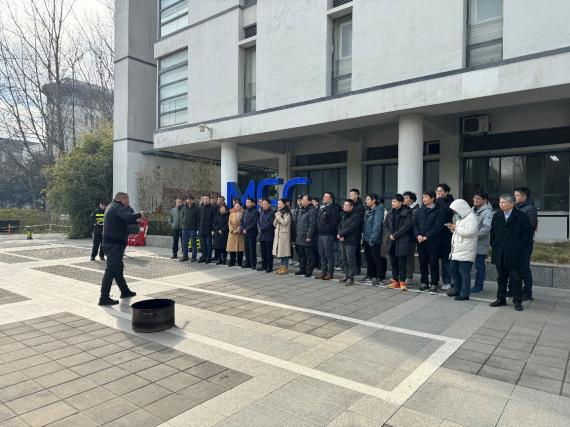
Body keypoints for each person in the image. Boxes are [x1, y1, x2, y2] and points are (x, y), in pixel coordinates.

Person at [99, 192, 143, 306]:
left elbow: (125, 219)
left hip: (112, 244)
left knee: (118, 269)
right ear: (122, 199)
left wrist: (136, 221)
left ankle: (125, 291)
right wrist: (139, 214)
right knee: (110, 271)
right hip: (113, 245)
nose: (128, 203)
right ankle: (104, 297)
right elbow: (127, 216)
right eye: (127, 200)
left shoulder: (112, 207)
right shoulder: (116, 207)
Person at [489, 194, 532, 311]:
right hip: (500, 252)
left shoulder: (521, 216)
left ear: (512, 203)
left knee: (516, 278)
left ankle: (517, 300)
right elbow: (493, 232)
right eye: (500, 202)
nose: (501, 204)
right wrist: (494, 244)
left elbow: (527, 235)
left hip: (515, 253)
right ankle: (500, 298)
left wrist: (518, 247)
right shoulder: (497, 216)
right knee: (501, 278)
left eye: (503, 202)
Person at [446, 199, 478, 301]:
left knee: (464, 272)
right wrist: (453, 228)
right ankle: (457, 289)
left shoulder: (471, 218)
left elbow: (470, 232)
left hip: (466, 250)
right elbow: (459, 232)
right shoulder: (461, 217)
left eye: (455, 210)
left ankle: (465, 293)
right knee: (454, 270)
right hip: (457, 250)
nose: (455, 212)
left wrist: (455, 228)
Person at [414, 191, 446, 293]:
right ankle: (424, 282)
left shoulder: (439, 211)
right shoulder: (420, 210)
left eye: (426, 197)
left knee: (433, 262)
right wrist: (418, 235)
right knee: (422, 262)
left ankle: (434, 283)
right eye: (423, 197)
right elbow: (415, 224)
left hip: (433, 241)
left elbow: (438, 226)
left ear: (432, 198)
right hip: (420, 241)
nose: (424, 199)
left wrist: (427, 236)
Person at [514, 186, 538, 301]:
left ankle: (527, 292)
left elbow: (530, 226)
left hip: (525, 243)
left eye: (517, 195)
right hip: (515, 242)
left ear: (524, 196)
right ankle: (515, 289)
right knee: (515, 267)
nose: (515, 197)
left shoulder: (530, 208)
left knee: (524, 267)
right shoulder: (516, 207)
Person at [385, 194, 413, 291]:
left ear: (401, 202)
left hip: (402, 241)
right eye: (392, 201)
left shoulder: (407, 212)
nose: (393, 203)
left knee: (402, 263)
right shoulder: (390, 212)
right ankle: (395, 281)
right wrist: (390, 234)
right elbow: (386, 225)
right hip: (392, 241)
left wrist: (395, 235)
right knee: (393, 263)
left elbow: (407, 227)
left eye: (395, 202)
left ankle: (402, 282)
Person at [471, 191, 493, 292]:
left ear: (484, 200)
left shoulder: (487, 211)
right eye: (474, 198)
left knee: (479, 266)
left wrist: (474, 235)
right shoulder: (472, 209)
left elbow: (486, 228)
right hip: (470, 243)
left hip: (480, 244)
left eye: (478, 198)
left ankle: (479, 286)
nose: (475, 200)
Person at [337, 199, 362, 286]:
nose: (344, 207)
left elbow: (352, 228)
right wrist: (340, 234)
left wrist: (341, 234)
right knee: (343, 259)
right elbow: (339, 226)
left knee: (350, 259)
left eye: (347, 205)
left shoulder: (356, 216)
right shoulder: (343, 215)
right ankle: (346, 275)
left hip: (351, 241)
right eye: (344, 205)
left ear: (351, 207)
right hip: (343, 240)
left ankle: (351, 278)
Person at [316, 192, 340, 280]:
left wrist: (329, 231)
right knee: (322, 254)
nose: (324, 198)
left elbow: (334, 223)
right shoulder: (322, 208)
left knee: (328, 255)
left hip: (328, 235)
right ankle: (323, 272)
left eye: (326, 197)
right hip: (320, 234)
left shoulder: (333, 209)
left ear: (331, 199)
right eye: (324, 196)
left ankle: (330, 273)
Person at [361, 194, 384, 286]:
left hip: (374, 240)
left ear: (374, 200)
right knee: (369, 258)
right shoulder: (368, 211)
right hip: (367, 238)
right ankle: (370, 275)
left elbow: (377, 226)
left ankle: (380, 278)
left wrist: (373, 238)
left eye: (368, 199)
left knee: (376, 259)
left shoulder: (378, 211)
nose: (366, 201)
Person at [436, 183, 455, 290]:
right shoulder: (436, 201)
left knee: (445, 259)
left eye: (441, 191)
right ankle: (437, 280)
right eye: (437, 191)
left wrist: (440, 201)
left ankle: (448, 281)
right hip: (436, 233)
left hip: (446, 233)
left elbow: (448, 212)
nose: (438, 193)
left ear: (446, 192)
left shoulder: (451, 202)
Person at [295, 195, 318, 277]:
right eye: (302, 200)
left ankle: (309, 271)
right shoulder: (302, 210)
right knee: (301, 255)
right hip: (300, 236)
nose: (302, 201)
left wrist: (309, 236)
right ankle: (302, 269)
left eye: (304, 200)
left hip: (307, 237)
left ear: (309, 201)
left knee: (309, 256)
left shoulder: (312, 211)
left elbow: (312, 225)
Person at [403, 191, 419, 285]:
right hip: (403, 236)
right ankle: (404, 275)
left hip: (411, 237)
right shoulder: (404, 208)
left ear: (412, 200)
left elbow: (412, 224)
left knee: (409, 257)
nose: (404, 200)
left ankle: (409, 276)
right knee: (403, 257)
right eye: (404, 198)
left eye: (407, 198)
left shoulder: (415, 210)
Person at [349, 189, 365, 275]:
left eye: (352, 194)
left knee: (356, 251)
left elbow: (359, 220)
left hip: (356, 231)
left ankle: (357, 269)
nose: (350, 196)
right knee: (350, 251)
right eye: (350, 194)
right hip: (349, 231)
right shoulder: (350, 204)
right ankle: (351, 269)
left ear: (357, 195)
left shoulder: (360, 206)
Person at [273, 198, 292, 275]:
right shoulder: (278, 213)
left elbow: (284, 222)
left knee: (285, 252)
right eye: (278, 203)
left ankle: (285, 267)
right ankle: (281, 266)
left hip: (284, 235)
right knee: (280, 252)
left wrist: (278, 217)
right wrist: (277, 217)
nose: (278, 205)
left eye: (280, 203)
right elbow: (274, 224)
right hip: (278, 235)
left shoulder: (287, 213)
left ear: (284, 204)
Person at [257, 198, 275, 273]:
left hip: (268, 235)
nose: (263, 205)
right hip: (261, 236)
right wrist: (259, 228)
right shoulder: (261, 212)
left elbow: (270, 224)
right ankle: (264, 265)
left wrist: (261, 229)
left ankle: (269, 267)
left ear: (269, 205)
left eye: (265, 204)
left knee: (268, 252)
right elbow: (258, 221)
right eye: (263, 204)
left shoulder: (272, 213)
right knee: (263, 252)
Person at [241, 197, 260, 269]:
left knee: (252, 249)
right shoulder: (245, 211)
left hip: (252, 233)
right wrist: (243, 228)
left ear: (252, 203)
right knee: (247, 249)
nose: (247, 204)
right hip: (245, 233)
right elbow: (242, 221)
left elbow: (255, 222)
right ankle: (248, 262)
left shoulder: (256, 212)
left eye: (248, 202)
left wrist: (247, 229)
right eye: (246, 202)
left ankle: (253, 264)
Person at [198, 195, 216, 263]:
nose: (205, 200)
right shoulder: (201, 208)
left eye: (207, 199)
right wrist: (198, 229)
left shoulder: (213, 208)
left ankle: (208, 257)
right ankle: (203, 256)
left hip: (209, 230)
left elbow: (214, 219)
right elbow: (198, 219)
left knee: (208, 245)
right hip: (201, 230)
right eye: (204, 199)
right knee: (202, 245)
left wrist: (213, 229)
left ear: (209, 200)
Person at [180, 196, 199, 262]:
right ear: (186, 200)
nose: (189, 201)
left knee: (193, 243)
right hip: (185, 229)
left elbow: (198, 219)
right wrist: (182, 224)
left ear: (193, 200)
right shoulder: (184, 208)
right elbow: (182, 217)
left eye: (191, 199)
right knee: (184, 243)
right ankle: (185, 257)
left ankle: (194, 257)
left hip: (193, 229)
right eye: (188, 199)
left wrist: (197, 228)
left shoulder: (196, 208)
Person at [227, 201, 245, 267]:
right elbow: (229, 223)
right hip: (232, 233)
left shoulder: (243, 214)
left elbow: (243, 223)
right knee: (232, 248)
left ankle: (240, 262)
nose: (237, 207)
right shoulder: (232, 215)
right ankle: (232, 261)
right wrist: (232, 230)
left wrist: (239, 229)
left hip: (240, 233)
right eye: (235, 206)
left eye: (238, 206)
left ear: (240, 207)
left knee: (240, 249)